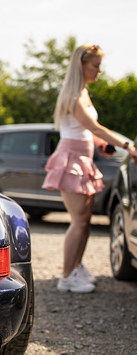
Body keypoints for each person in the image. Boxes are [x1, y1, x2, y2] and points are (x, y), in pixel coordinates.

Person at [42, 44, 137, 293]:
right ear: (81, 65)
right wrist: (128, 145)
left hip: (83, 159)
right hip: (70, 159)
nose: (99, 70)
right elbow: (94, 127)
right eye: (95, 65)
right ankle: (66, 277)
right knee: (78, 222)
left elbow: (88, 131)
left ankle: (76, 267)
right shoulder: (73, 97)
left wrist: (102, 144)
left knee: (85, 221)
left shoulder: (83, 92)